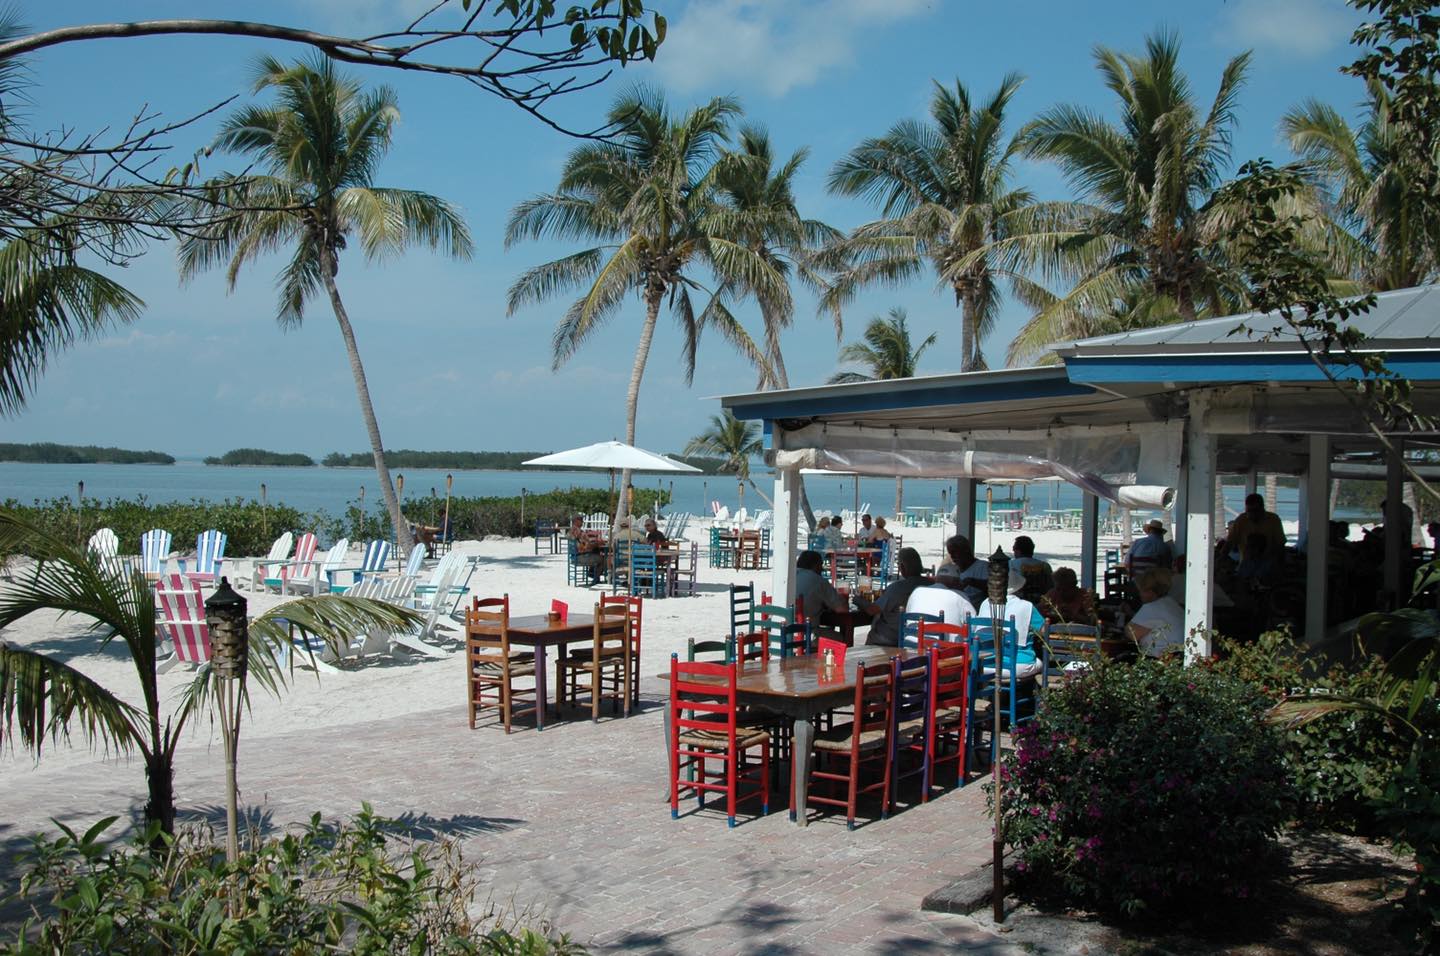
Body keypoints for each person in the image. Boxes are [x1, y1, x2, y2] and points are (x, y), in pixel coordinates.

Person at [852, 547, 929, 646]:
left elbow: (872, 610)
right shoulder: (931, 585)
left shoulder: (898, 588)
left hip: (891, 638)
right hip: (919, 636)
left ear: (902, 567)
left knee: (873, 633)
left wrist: (857, 600)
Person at [1128, 567, 1185, 657]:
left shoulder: (1152, 607)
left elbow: (1133, 634)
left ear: (1150, 592)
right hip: (1175, 657)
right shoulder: (1170, 603)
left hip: (1159, 659)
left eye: (1142, 591)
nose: (1140, 594)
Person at [905, 566, 978, 631]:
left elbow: (907, 616)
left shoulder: (917, 591)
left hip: (910, 644)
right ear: (955, 582)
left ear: (936, 579)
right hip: (944, 645)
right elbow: (974, 625)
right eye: (959, 582)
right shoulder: (959, 596)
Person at [1225, 493, 1286, 562]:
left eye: (1255, 511)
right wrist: (1221, 558)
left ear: (1262, 508)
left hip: (1268, 566)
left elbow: (1280, 544)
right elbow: (1230, 542)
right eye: (1249, 511)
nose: (1252, 514)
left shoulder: (1273, 520)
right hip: (1246, 565)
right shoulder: (1241, 520)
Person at [936, 534, 988, 607]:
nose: (952, 556)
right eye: (950, 553)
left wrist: (971, 582)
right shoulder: (950, 568)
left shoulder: (983, 566)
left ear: (965, 550)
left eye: (954, 552)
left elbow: (992, 587)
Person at [795, 549, 846, 620]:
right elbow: (842, 609)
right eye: (821, 565)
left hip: (784, 627)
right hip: (808, 629)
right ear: (816, 565)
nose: (822, 569)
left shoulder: (788, 577)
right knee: (838, 631)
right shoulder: (819, 580)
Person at [570, 514, 605, 584]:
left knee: (597, 552)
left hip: (574, 556)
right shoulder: (579, 532)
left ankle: (592, 574)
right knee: (603, 559)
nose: (582, 522)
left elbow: (582, 544)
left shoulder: (571, 531)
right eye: (581, 520)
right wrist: (597, 544)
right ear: (576, 521)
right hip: (581, 557)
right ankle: (595, 579)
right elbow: (586, 546)